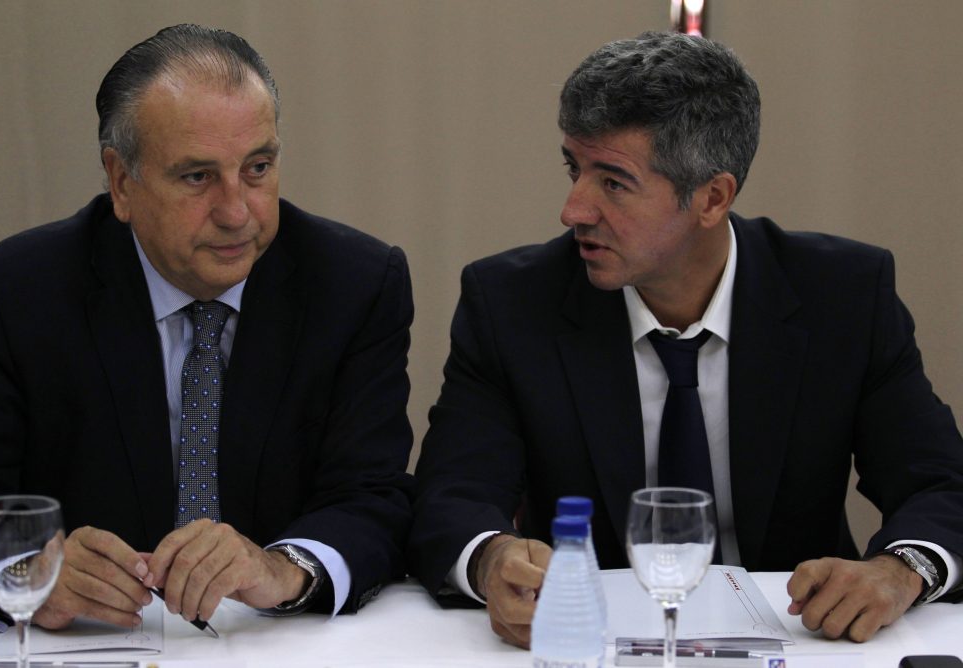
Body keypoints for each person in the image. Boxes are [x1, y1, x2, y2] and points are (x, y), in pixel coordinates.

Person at [408, 31, 963, 647]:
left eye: (613, 182)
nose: (573, 210)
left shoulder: (845, 296)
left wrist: (900, 570)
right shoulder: (512, 303)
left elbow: (940, 483)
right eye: (575, 169)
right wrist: (491, 560)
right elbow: (450, 495)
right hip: (590, 643)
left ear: (712, 197)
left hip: (801, 642)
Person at [0, 24, 414, 630]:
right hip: (88, 646)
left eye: (258, 167)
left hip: (276, 643)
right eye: (197, 177)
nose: (237, 211)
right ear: (120, 182)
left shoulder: (354, 284)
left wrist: (284, 569)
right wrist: (25, 577)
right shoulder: (12, 294)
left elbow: (374, 494)